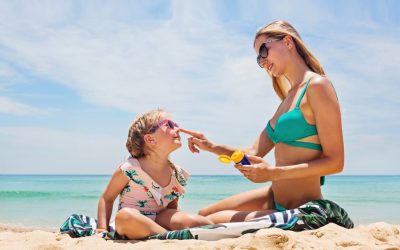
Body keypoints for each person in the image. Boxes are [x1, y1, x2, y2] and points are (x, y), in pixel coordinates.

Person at [179, 20, 349, 224]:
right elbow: (253, 153)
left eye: (263, 51)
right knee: (204, 213)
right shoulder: (287, 99)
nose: (262, 62)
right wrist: (210, 146)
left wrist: (273, 173)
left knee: (212, 222)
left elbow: (335, 162)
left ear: (287, 41)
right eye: (258, 59)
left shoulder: (317, 86)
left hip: (302, 208)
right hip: (274, 197)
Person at [96, 109, 213, 239]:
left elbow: (172, 209)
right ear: (150, 139)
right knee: (125, 216)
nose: (178, 129)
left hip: (160, 219)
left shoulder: (176, 173)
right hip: (134, 221)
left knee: (197, 221)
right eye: (169, 125)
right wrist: (102, 228)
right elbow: (107, 198)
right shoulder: (130, 169)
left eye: (175, 124)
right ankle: (168, 236)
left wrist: (183, 221)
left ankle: (166, 234)